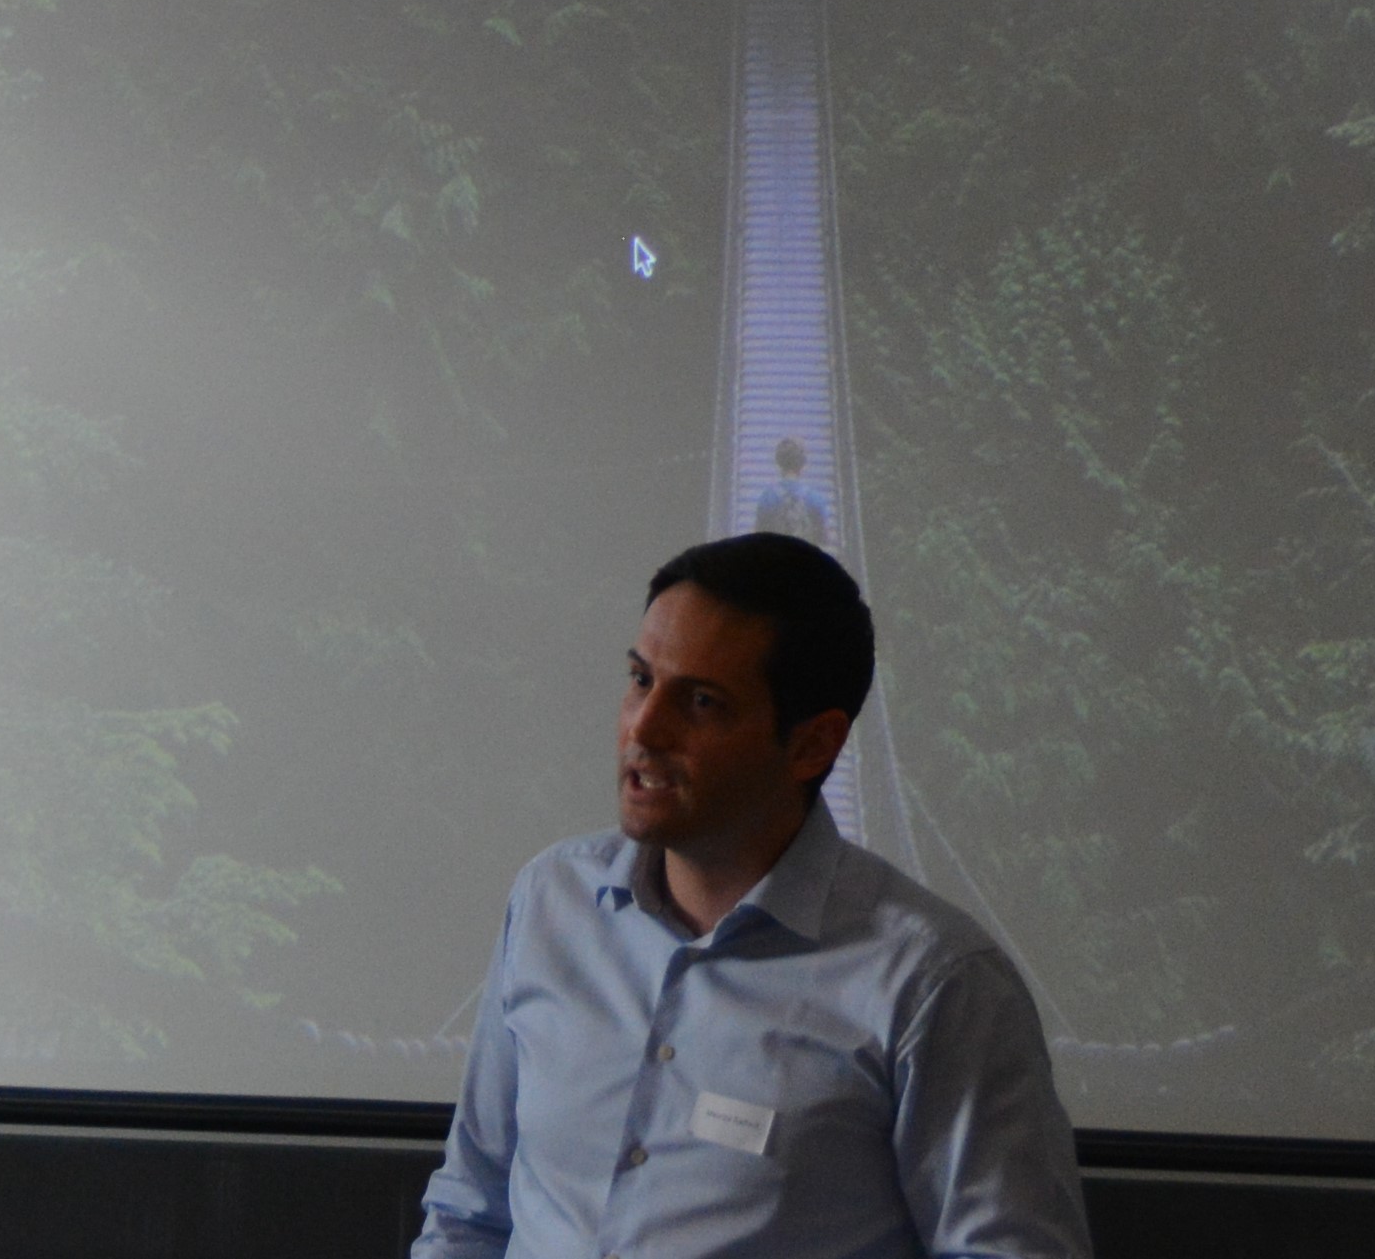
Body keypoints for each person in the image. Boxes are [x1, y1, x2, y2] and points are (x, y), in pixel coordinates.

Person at [411, 535, 1088, 1259]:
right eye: (640, 679)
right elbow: (470, 1210)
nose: (644, 727)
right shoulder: (552, 902)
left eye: (701, 701)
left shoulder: (934, 983)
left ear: (813, 745)